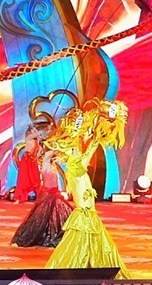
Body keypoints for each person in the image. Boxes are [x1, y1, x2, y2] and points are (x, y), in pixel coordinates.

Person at [45, 101, 130, 278]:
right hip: (79, 187)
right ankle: (77, 263)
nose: (79, 127)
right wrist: (93, 143)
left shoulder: (76, 147)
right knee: (83, 220)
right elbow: (79, 163)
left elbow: (83, 161)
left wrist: (95, 139)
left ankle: (92, 261)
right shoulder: (68, 149)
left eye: (80, 123)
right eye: (76, 124)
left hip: (85, 186)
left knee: (90, 218)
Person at [12, 143, 72, 247]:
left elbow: (57, 154)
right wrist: (61, 143)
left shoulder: (53, 163)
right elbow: (51, 152)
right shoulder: (45, 161)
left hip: (55, 194)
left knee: (64, 214)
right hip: (47, 195)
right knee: (40, 219)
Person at [13, 123, 43, 204]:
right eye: (34, 130)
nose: (35, 131)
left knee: (36, 179)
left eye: (36, 130)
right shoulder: (28, 137)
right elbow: (36, 134)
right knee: (24, 179)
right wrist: (43, 131)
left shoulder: (37, 141)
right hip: (27, 160)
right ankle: (18, 198)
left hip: (33, 161)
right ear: (30, 131)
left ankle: (39, 198)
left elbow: (39, 151)